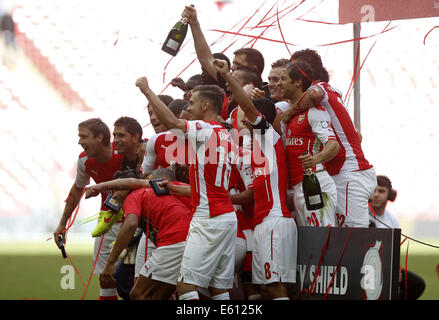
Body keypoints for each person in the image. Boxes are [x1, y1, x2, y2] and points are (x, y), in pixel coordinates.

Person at [136, 76, 239, 301]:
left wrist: (147, 90)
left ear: (205, 105)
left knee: (185, 287)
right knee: (219, 289)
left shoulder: (204, 128)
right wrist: (173, 189)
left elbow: (172, 122)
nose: (188, 108)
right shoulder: (225, 134)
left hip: (208, 219)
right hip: (226, 217)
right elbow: (206, 189)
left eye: (192, 103)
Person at [214, 58, 297, 300]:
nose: (243, 118)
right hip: (264, 224)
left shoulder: (268, 138)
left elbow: (246, 106)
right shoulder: (257, 147)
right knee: (265, 290)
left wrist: (227, 77)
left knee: (274, 287)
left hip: (274, 222)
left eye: (248, 114)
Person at [284, 48, 376, 228]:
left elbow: (313, 94)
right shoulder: (331, 97)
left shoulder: (321, 89)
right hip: (342, 171)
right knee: (338, 237)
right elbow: (358, 135)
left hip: (350, 171)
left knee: (351, 237)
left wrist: (290, 112)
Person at [86, 168, 192, 300]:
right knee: (161, 295)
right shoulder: (177, 188)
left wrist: (110, 263)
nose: (114, 194)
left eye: (118, 188)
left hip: (173, 242)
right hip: (196, 240)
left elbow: (131, 224)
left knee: (137, 294)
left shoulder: (136, 195)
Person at [53, 118, 124, 300]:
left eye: (84, 136)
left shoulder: (125, 154)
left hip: (138, 221)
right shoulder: (85, 161)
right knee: (106, 280)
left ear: (100, 137)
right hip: (108, 223)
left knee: (141, 281)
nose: (79, 142)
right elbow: (77, 189)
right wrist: (63, 224)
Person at [279, 61, 339, 227]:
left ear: (298, 82)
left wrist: (315, 159)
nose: (279, 83)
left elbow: (333, 145)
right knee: (311, 248)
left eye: (283, 79)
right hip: (299, 188)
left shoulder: (314, 112)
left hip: (315, 184)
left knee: (321, 244)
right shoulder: (288, 117)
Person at [369, 175, 426, 300]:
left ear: (390, 195)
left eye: (381, 191)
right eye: (373, 190)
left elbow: (393, 252)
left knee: (418, 284)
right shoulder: (362, 215)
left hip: (387, 267)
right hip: (368, 268)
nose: (376, 194)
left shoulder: (392, 220)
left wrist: (395, 270)